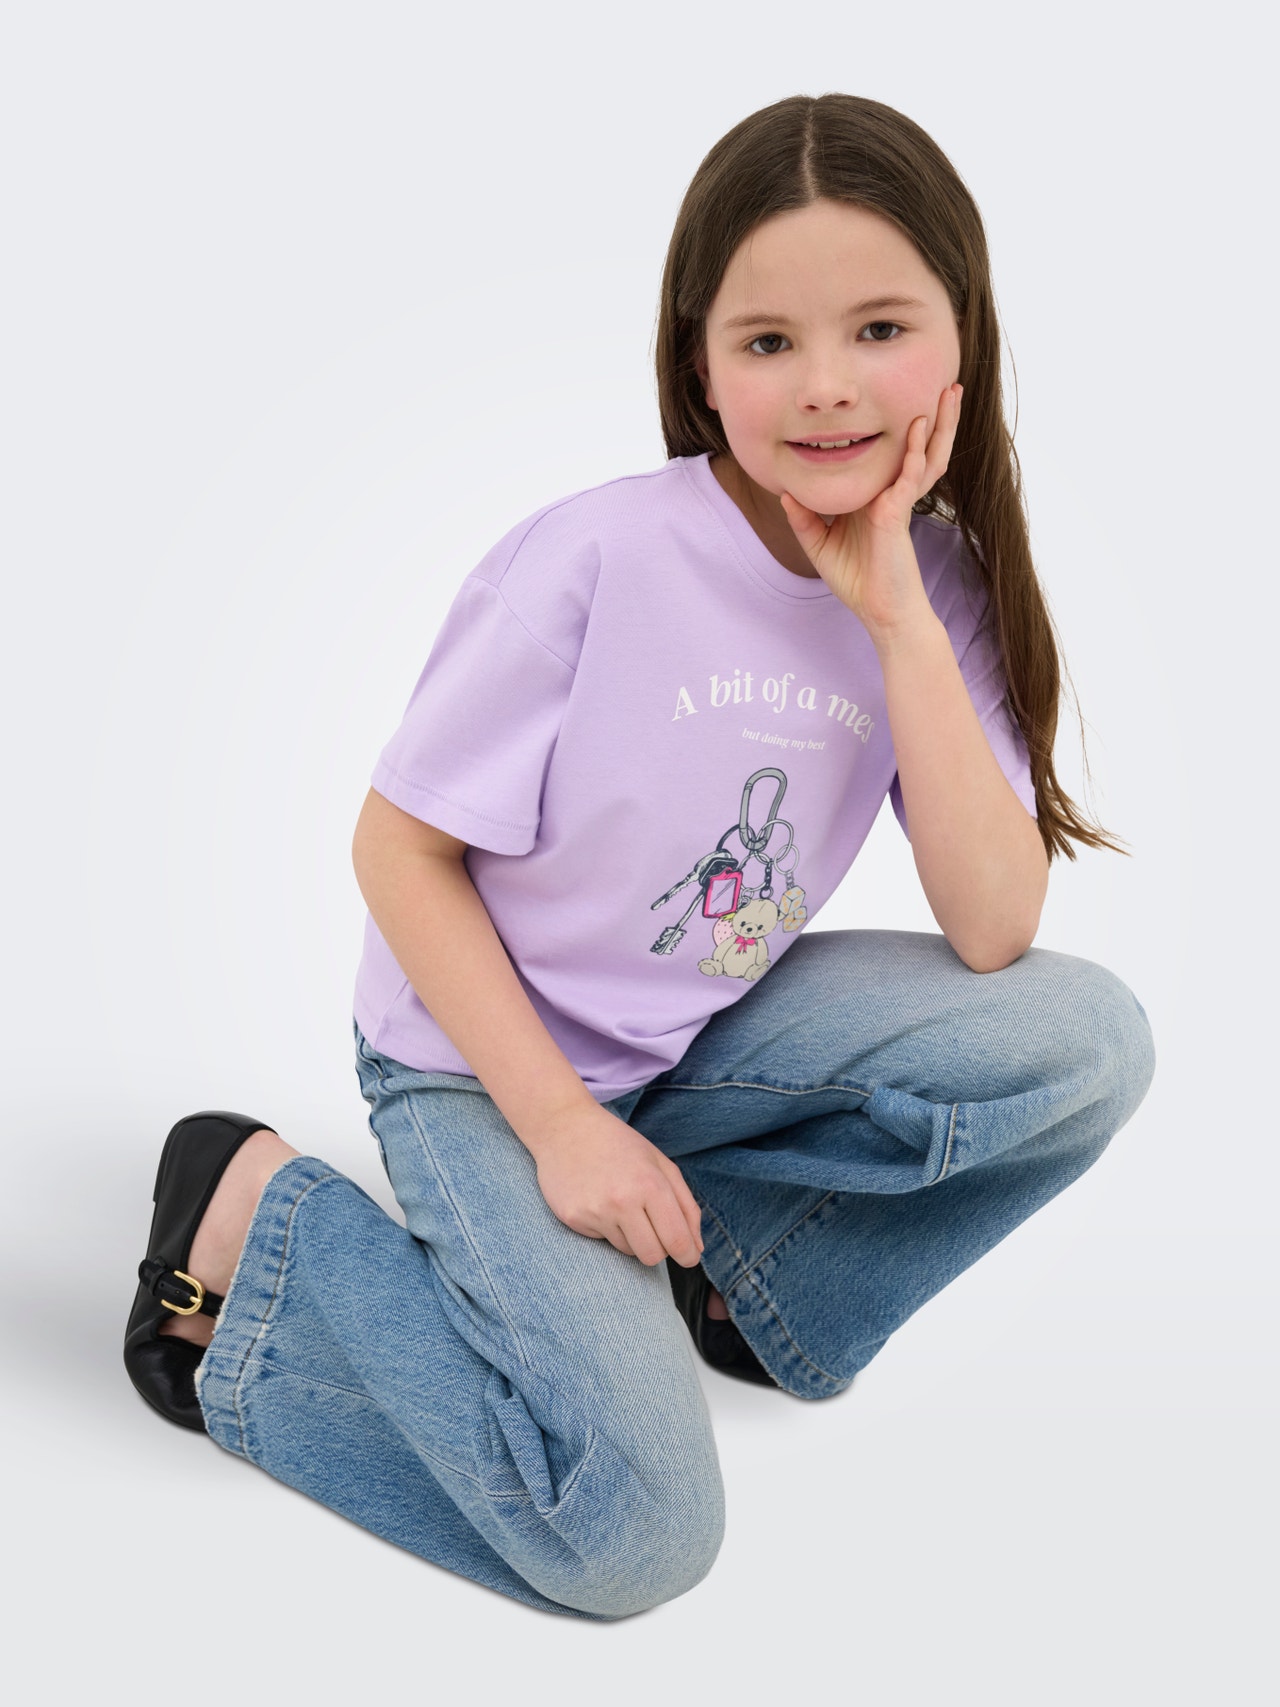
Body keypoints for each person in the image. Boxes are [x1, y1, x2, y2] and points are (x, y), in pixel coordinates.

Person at [123, 92, 1156, 1620]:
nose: (826, 386)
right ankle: (258, 1222)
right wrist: (560, 1129)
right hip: (480, 1066)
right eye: (769, 342)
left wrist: (892, 615)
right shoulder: (597, 556)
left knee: (1088, 1042)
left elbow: (995, 929)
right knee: (634, 1536)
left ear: (964, 339)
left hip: (688, 1040)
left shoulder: (937, 582)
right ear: (700, 362)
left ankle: (746, 1290)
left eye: (880, 330)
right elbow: (397, 852)